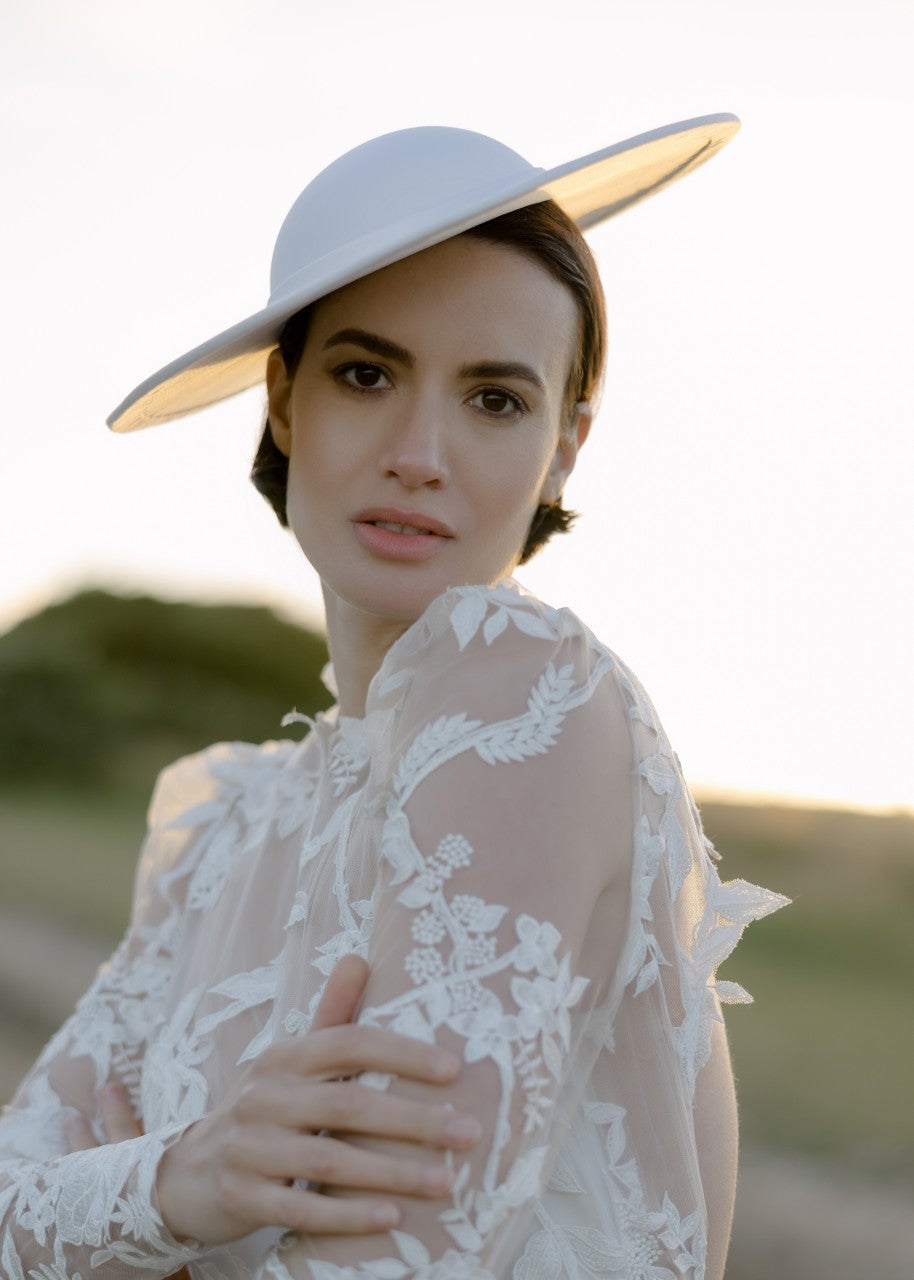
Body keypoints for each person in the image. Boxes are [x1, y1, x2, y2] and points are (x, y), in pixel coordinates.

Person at [0, 118, 787, 1279]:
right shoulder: (224, 824)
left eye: (494, 399)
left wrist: (130, 1233)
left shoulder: (534, 696)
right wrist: (182, 1178)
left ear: (563, 446)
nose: (419, 450)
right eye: (366, 374)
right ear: (282, 402)